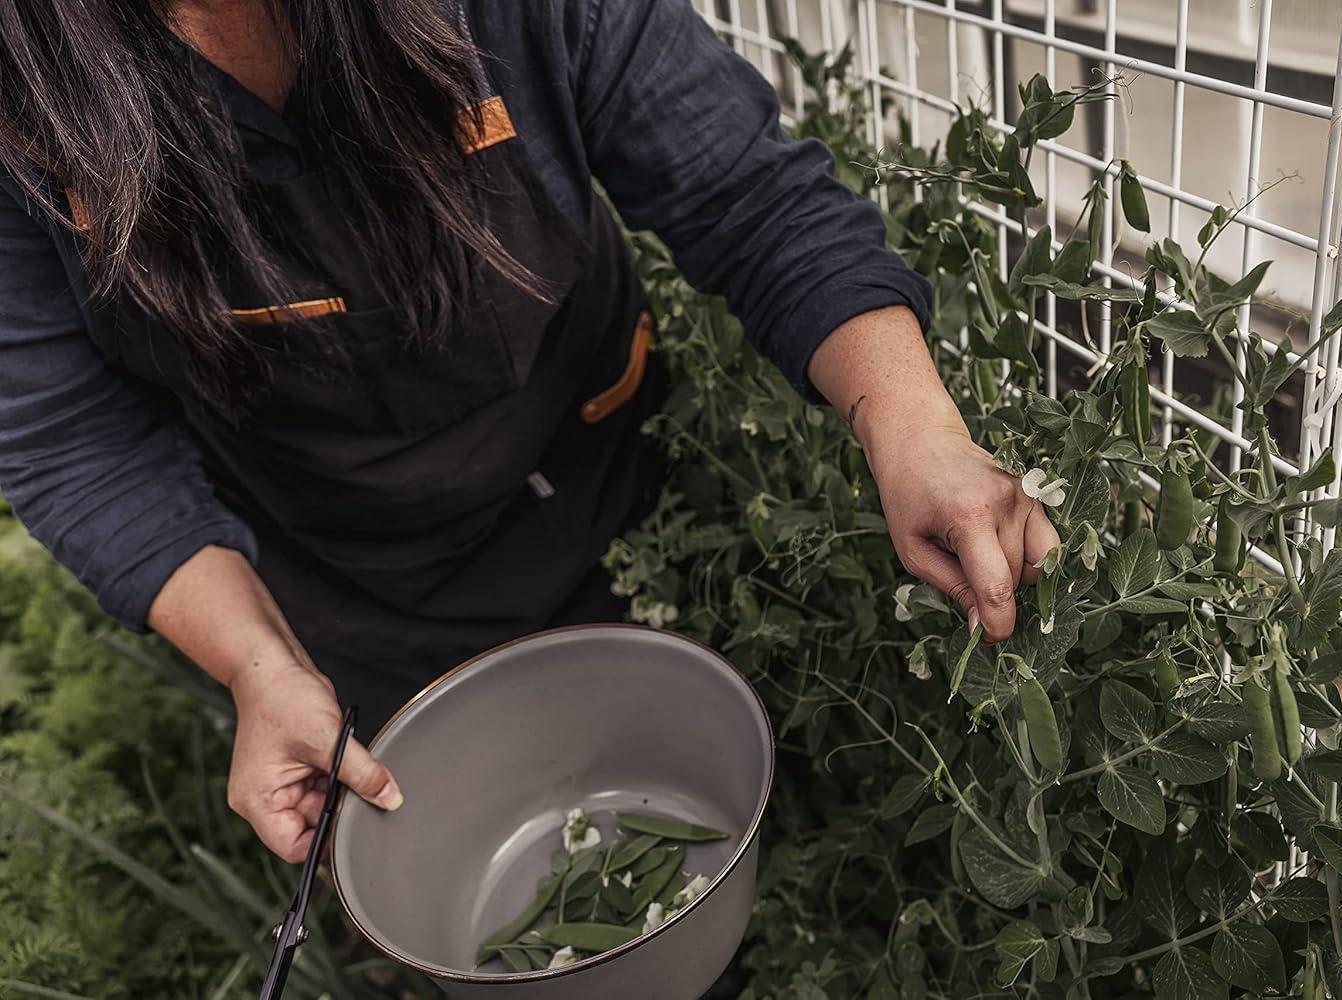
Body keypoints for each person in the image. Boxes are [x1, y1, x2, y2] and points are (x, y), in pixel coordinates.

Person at [0, 0, 1059, 865]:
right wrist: (259, 665)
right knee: (474, 880)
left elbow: (749, 199)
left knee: (734, 837)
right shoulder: (22, 96)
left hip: (623, 478)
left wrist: (913, 425)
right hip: (345, 581)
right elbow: (71, 438)